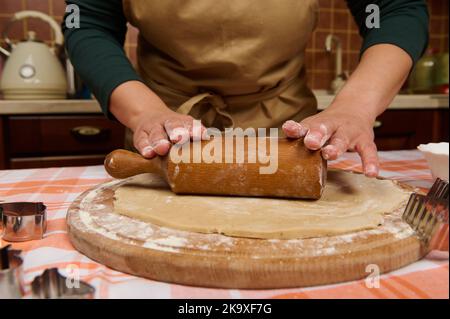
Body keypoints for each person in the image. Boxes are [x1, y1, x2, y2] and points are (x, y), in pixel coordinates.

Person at [64, 0, 429, 177]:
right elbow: (89, 23)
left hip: (290, 138)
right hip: (169, 137)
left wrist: (356, 107)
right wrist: (144, 112)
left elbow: (392, 9)